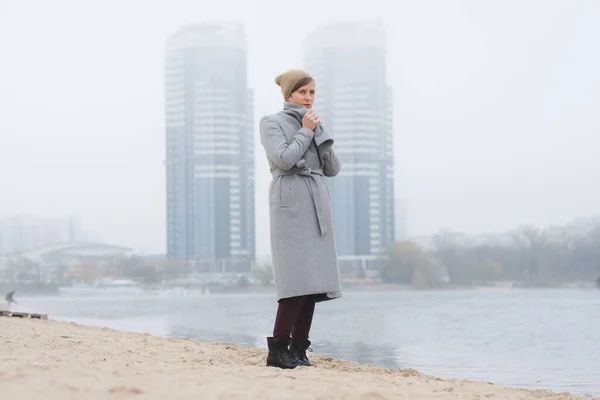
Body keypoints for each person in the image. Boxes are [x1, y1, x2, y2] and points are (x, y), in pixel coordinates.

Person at [259, 69, 343, 369]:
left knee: (314, 281)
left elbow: (332, 169)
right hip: (290, 200)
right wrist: (306, 130)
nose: (308, 98)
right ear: (289, 94)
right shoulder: (271, 122)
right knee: (295, 278)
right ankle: (278, 348)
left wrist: (321, 135)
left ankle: (298, 349)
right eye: (302, 92)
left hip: (316, 199)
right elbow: (283, 158)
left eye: (312, 92)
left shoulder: (314, 123)